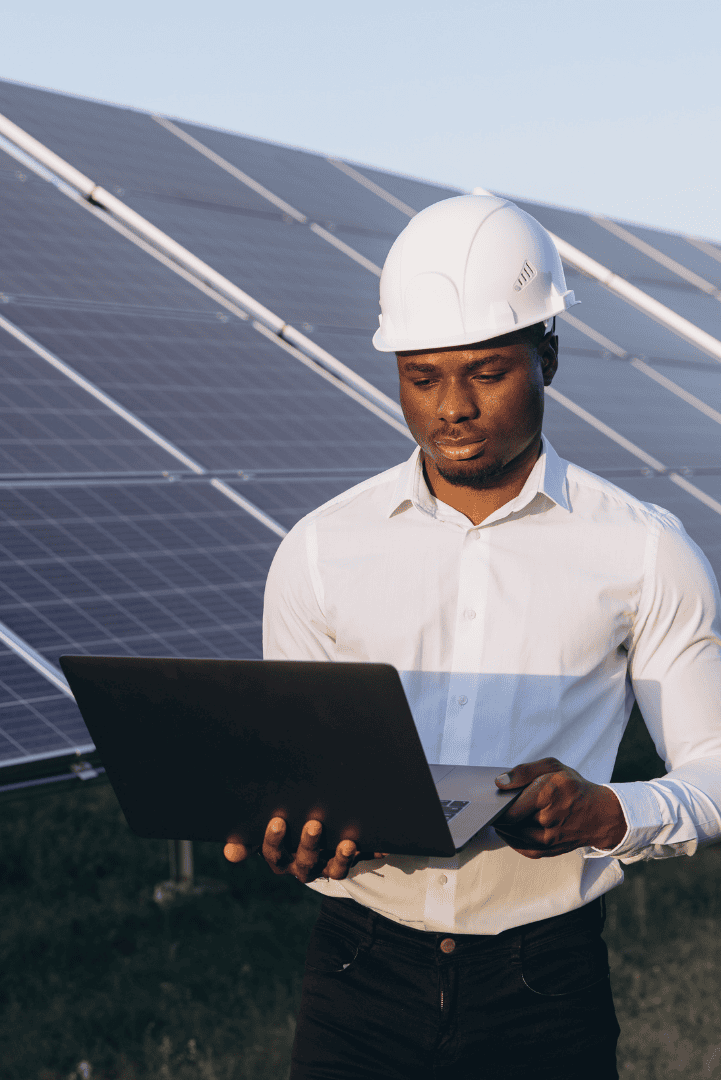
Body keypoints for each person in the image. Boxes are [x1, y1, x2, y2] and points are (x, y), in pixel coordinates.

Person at [223, 195, 721, 1079]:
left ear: (549, 358)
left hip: (544, 983)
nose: (452, 407)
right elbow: (298, 772)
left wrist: (610, 811)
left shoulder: (644, 551)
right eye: (422, 377)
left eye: (487, 373)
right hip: (355, 973)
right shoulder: (319, 550)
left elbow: (716, 768)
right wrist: (292, 830)